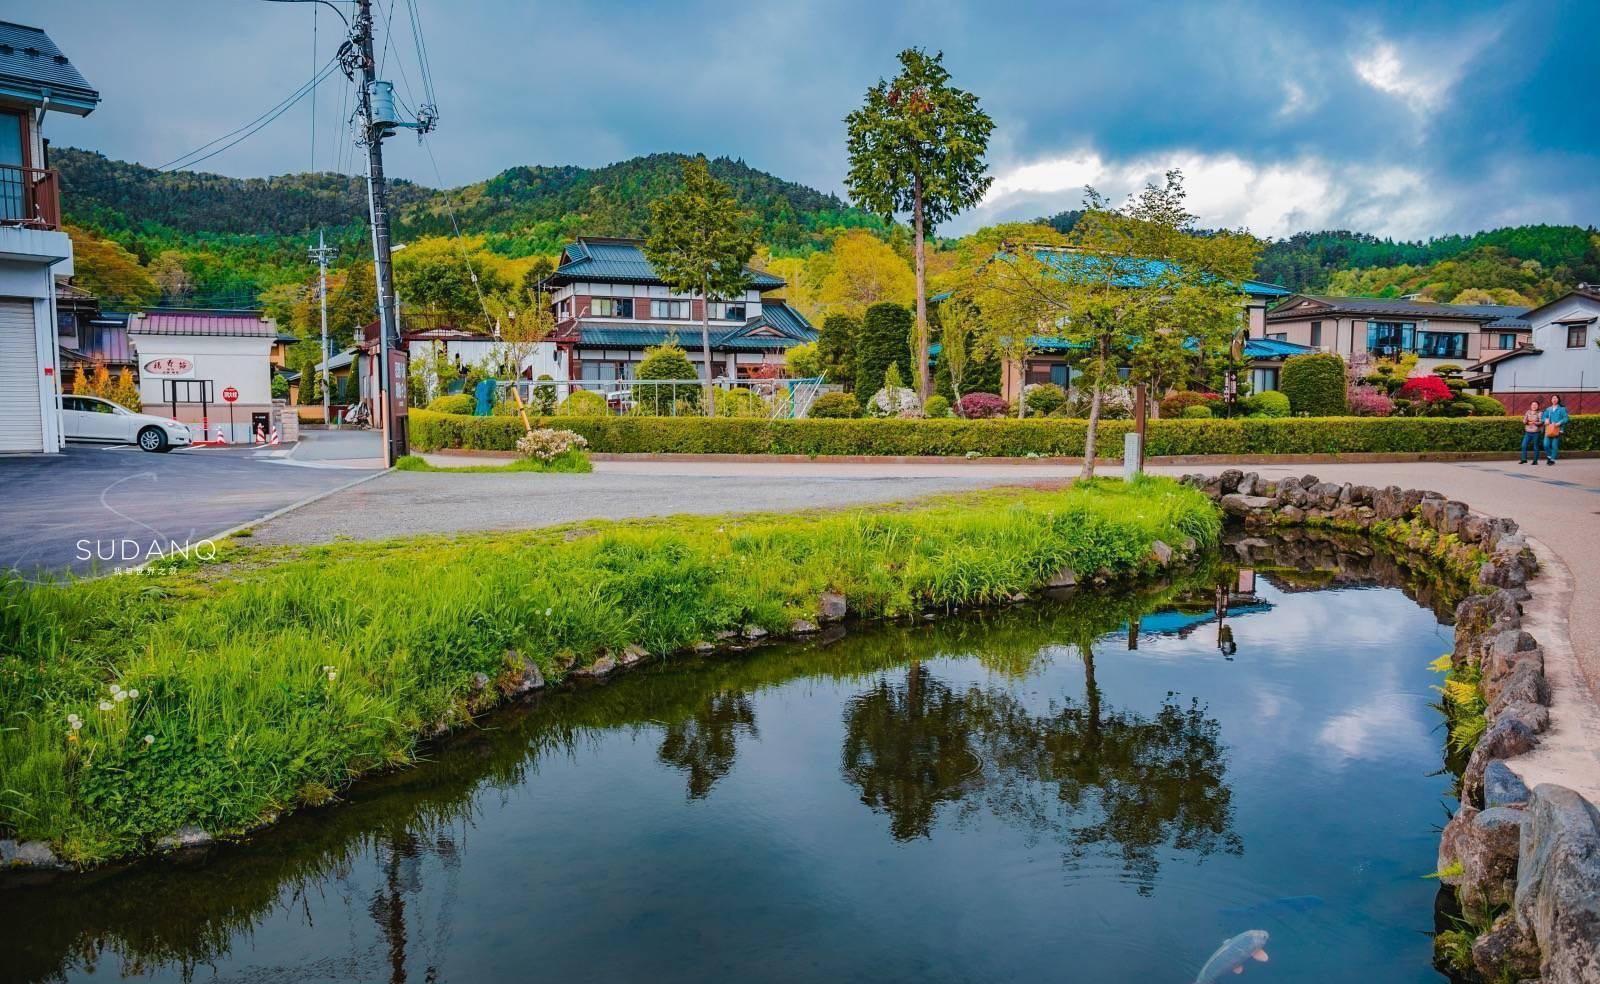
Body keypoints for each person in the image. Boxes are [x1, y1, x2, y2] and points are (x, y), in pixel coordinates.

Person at [1541, 395, 1570, 465]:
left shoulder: (1562, 409)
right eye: (1553, 398)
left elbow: (1566, 418)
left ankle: (1552, 460)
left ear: (1558, 400)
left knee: (1554, 445)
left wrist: (1560, 422)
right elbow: (1543, 418)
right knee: (1546, 445)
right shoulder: (1548, 409)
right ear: (1551, 400)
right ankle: (1549, 456)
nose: (1554, 399)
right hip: (1548, 429)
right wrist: (1545, 420)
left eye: (1556, 398)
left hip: (1557, 429)